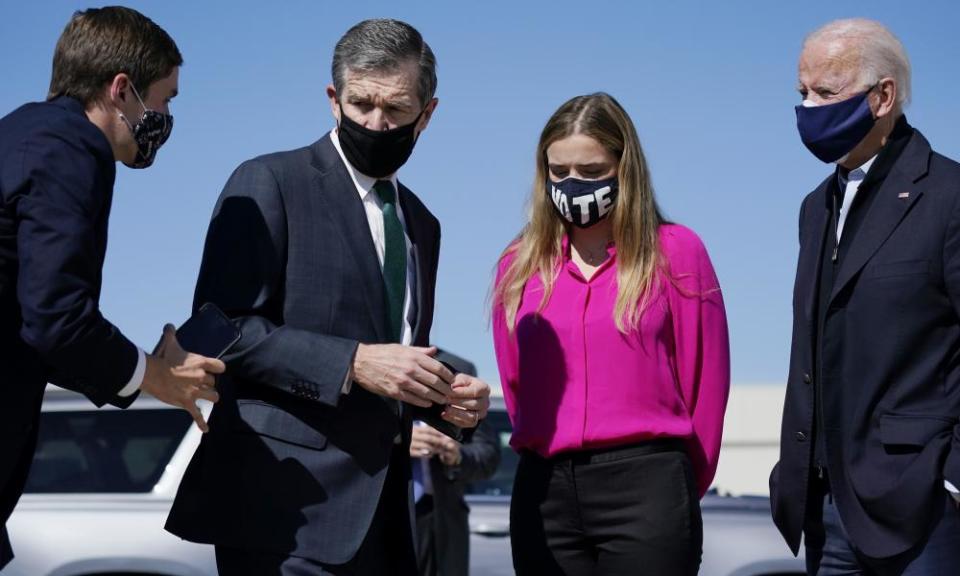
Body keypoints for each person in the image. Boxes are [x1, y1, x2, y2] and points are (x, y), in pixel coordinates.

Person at [165, 18, 491, 576]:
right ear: (333, 99)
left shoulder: (423, 224)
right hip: (282, 516)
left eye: (397, 109)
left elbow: (395, 366)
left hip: (386, 525)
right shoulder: (270, 181)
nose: (377, 122)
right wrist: (355, 363)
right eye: (362, 104)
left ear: (428, 113)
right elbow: (217, 328)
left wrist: (447, 402)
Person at [0, 7, 225, 569]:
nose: (167, 116)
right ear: (122, 90)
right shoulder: (70, 148)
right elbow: (56, 319)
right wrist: (157, 376)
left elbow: (32, 325)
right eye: (165, 98)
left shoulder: (20, 133)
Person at [491, 92, 730, 576]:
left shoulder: (677, 253)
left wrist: (679, 487)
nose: (572, 184)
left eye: (591, 170)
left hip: (648, 491)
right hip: (544, 493)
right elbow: (518, 389)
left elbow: (707, 383)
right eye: (559, 172)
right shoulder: (517, 266)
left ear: (625, 169)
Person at [771, 18, 960, 575]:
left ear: (883, 96)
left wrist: (951, 477)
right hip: (826, 513)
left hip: (922, 514)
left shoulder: (948, 197)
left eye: (826, 93)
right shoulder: (815, 208)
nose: (808, 107)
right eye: (802, 92)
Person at [410, 349, 500, 576]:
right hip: (385, 517)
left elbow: (487, 456)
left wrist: (458, 455)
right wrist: (399, 439)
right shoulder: (375, 357)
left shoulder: (457, 368)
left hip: (443, 525)